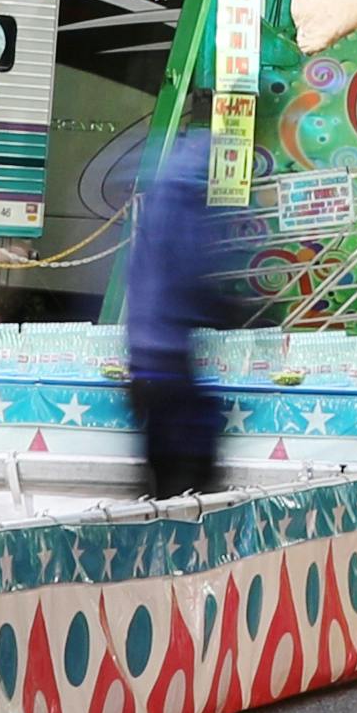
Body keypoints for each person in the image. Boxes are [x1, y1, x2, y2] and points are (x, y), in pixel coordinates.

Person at [120, 128, 242, 497]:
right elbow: (184, 280)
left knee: (161, 476)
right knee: (188, 477)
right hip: (168, 361)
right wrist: (229, 311)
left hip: (143, 360)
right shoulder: (183, 204)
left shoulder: (158, 203)